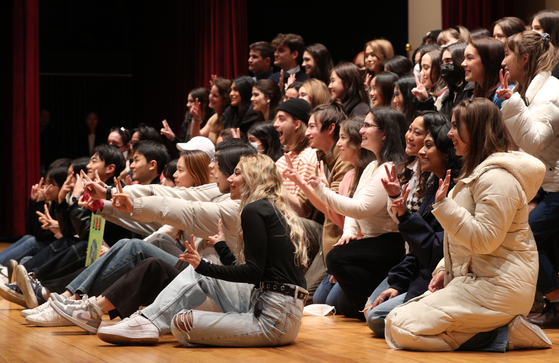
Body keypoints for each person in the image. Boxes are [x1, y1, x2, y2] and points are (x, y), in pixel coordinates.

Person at [52, 154, 309, 347]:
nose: (229, 177)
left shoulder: (253, 210)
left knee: (181, 322)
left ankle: (143, 319)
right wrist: (218, 247)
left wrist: (202, 266)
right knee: (181, 311)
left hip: (272, 317)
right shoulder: (271, 209)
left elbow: (253, 272)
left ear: (253, 178)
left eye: (237, 173)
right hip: (280, 311)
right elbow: (261, 270)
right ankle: (143, 319)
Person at [384, 98, 551, 352]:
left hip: (500, 287)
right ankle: (498, 332)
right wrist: (444, 269)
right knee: (393, 321)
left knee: (402, 327)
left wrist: (445, 208)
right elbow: (459, 239)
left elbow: (484, 240)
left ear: (475, 130)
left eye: (455, 126)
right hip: (473, 280)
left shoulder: (498, 178)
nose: (449, 133)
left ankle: (505, 335)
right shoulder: (477, 172)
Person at [364, 121, 460, 337]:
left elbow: (436, 250)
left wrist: (405, 215)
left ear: (447, 152)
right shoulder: (434, 184)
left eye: (428, 145)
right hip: (419, 272)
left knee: (376, 318)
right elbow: (418, 249)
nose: (421, 151)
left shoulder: (454, 191)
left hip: (439, 278)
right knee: (368, 309)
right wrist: (399, 284)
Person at [309, 107, 407, 319]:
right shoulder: (373, 165)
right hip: (371, 243)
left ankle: (375, 295)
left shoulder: (390, 167)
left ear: (385, 133)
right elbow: (355, 207)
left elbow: (362, 208)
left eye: (368, 126)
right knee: (342, 306)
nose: (362, 130)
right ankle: (371, 295)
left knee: (337, 258)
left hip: (391, 243)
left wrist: (322, 190)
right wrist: (348, 232)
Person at [497, 31, 559, 329]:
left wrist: (512, 104)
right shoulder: (532, 92)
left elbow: (534, 141)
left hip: (557, 187)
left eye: (508, 54)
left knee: (526, 234)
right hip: (547, 185)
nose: (503, 60)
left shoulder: (549, 94)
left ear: (524, 58)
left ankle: (557, 304)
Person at [311, 116, 374, 306]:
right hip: (346, 246)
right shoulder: (348, 176)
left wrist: (322, 191)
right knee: (319, 299)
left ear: (357, 142)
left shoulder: (371, 173)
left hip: (367, 249)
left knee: (333, 302)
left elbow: (344, 218)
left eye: (343, 138)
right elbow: (342, 220)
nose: (338, 144)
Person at [274, 98, 317, 196]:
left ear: (297, 124)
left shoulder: (307, 159)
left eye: (281, 119)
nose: (275, 124)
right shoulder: (283, 159)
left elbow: (301, 208)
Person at [461, 37, 509, 108]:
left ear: (488, 61)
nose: (463, 64)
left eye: (470, 58)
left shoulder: (502, 94)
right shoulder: (476, 95)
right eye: (464, 58)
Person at [437, 42, 474, 117]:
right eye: (442, 62)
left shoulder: (472, 90)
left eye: (448, 61)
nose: (444, 66)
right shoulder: (450, 91)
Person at [191, 78, 232, 145]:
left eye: (215, 96)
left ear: (225, 100)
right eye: (210, 93)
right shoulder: (214, 118)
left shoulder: (228, 120)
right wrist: (196, 118)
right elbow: (196, 139)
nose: (210, 97)